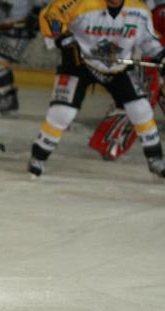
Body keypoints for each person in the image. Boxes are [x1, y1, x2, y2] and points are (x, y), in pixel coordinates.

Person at [28, 0, 165, 179]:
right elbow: (50, 16)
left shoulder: (139, 10)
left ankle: (156, 158)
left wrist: (161, 56)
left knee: (141, 109)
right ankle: (38, 156)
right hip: (79, 63)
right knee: (62, 112)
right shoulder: (80, 3)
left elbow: (148, 40)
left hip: (117, 67)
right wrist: (62, 37)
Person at [88, 0, 165, 160]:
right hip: (147, 44)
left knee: (142, 96)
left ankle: (108, 142)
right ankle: (109, 141)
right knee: (138, 97)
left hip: (149, 40)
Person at [0, 0, 50, 115]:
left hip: (23, 26)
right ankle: (4, 93)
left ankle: (8, 97)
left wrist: (37, 13)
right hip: (6, 25)